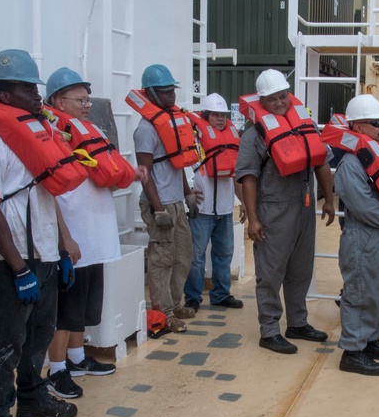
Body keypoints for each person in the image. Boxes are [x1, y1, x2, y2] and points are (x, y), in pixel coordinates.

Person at [0, 49, 81, 417]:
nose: (36, 95)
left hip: (45, 253)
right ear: (3, 93)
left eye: (36, 87)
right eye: (27, 88)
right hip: (15, 260)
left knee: (40, 333)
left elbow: (49, 192)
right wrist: (17, 268)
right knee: (5, 341)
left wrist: (62, 248)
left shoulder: (34, 135)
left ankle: (32, 398)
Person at [44, 67, 148, 398]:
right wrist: (65, 239)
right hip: (76, 235)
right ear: (59, 100)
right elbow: (51, 190)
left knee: (85, 307)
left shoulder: (89, 130)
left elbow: (106, 168)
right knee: (65, 309)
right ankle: (56, 370)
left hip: (97, 234)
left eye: (88, 98)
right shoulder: (52, 134)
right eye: (80, 99)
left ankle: (77, 359)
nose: (87, 104)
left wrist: (132, 174)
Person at [237, 69, 336, 354]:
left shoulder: (306, 125)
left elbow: (321, 164)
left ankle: (297, 323)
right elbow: (248, 178)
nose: (279, 103)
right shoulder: (253, 135)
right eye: (272, 99)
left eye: (283, 96)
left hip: (305, 209)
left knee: (300, 270)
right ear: (261, 101)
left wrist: (328, 200)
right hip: (273, 211)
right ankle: (269, 331)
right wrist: (253, 218)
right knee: (270, 272)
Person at [321, 95, 379, 375]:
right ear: (358, 127)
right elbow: (360, 203)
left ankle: (371, 339)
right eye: (376, 123)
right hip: (363, 235)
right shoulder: (352, 163)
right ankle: (352, 351)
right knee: (361, 291)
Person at [127, 64, 199, 333]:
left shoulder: (172, 123)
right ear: (150, 94)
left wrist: (188, 195)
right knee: (162, 258)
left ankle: (176, 302)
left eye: (173, 91)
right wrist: (159, 210)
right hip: (158, 204)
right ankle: (162, 312)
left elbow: (176, 164)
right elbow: (146, 175)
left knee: (183, 254)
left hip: (176, 201)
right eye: (165, 92)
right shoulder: (146, 130)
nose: (172, 96)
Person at [184, 93, 245, 311]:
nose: (220, 119)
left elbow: (236, 174)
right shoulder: (194, 140)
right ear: (206, 115)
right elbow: (183, 167)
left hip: (225, 208)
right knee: (196, 256)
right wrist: (188, 191)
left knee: (224, 253)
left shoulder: (231, 137)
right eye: (215, 115)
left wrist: (243, 202)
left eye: (223, 115)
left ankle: (221, 294)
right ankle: (192, 297)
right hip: (201, 209)